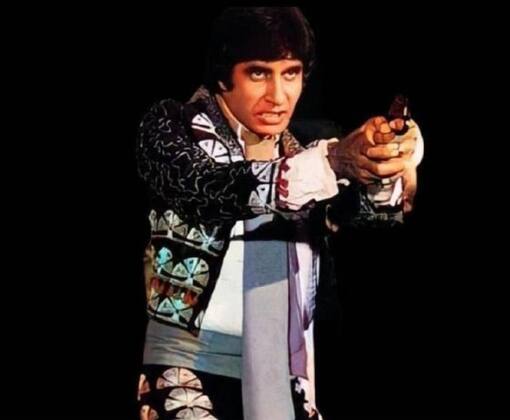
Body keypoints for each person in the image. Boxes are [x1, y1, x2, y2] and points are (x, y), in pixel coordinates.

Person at [136, 7, 423, 420]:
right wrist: (334, 162)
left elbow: (373, 211)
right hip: (187, 367)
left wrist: (385, 159)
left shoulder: (306, 144)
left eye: (291, 74)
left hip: (285, 375)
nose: (277, 95)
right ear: (224, 76)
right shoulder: (170, 127)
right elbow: (209, 187)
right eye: (258, 73)